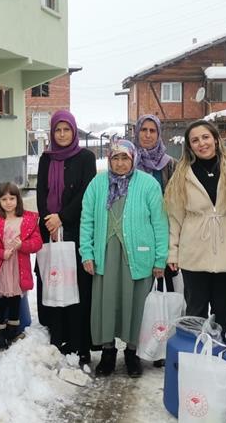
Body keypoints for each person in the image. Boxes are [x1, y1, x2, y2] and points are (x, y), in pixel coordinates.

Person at [79, 140, 169, 378]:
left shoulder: (148, 184)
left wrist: (160, 259)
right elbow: (86, 219)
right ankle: (108, 352)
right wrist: (86, 252)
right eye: (116, 158)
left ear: (133, 159)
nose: (120, 163)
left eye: (125, 158)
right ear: (109, 159)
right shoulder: (98, 184)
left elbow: (159, 223)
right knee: (107, 303)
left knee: (135, 304)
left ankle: (132, 353)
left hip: (138, 255)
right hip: (106, 254)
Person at [164, 120, 226, 334]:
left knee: (223, 311)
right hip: (194, 252)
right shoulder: (182, 175)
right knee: (195, 311)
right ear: (189, 146)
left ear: (216, 139)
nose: (202, 144)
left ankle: (221, 355)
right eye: (195, 140)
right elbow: (174, 217)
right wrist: (173, 252)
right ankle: (196, 359)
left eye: (206, 137)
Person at [36, 110, 98, 365]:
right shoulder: (45, 158)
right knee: (53, 281)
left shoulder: (85, 157)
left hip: (75, 229)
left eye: (66, 130)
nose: (62, 135)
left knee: (76, 286)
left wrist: (61, 217)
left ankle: (80, 343)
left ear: (74, 131)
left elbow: (86, 192)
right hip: (50, 230)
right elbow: (41, 191)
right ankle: (57, 336)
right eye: (58, 130)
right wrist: (48, 219)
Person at [0, 182, 42, 350]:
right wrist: (0, 253)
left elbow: (37, 242)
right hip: (0, 267)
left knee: (14, 299)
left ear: (18, 199)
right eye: (4, 199)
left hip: (18, 267)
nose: (8, 202)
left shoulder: (28, 219)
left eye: (11, 198)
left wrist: (22, 245)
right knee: (0, 301)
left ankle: (13, 330)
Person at [134, 114, 180, 300]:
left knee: (164, 294)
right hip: (137, 234)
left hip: (164, 234)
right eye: (143, 130)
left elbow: (177, 203)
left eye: (152, 130)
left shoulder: (170, 165)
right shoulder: (127, 162)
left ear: (159, 134)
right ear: (136, 133)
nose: (147, 135)